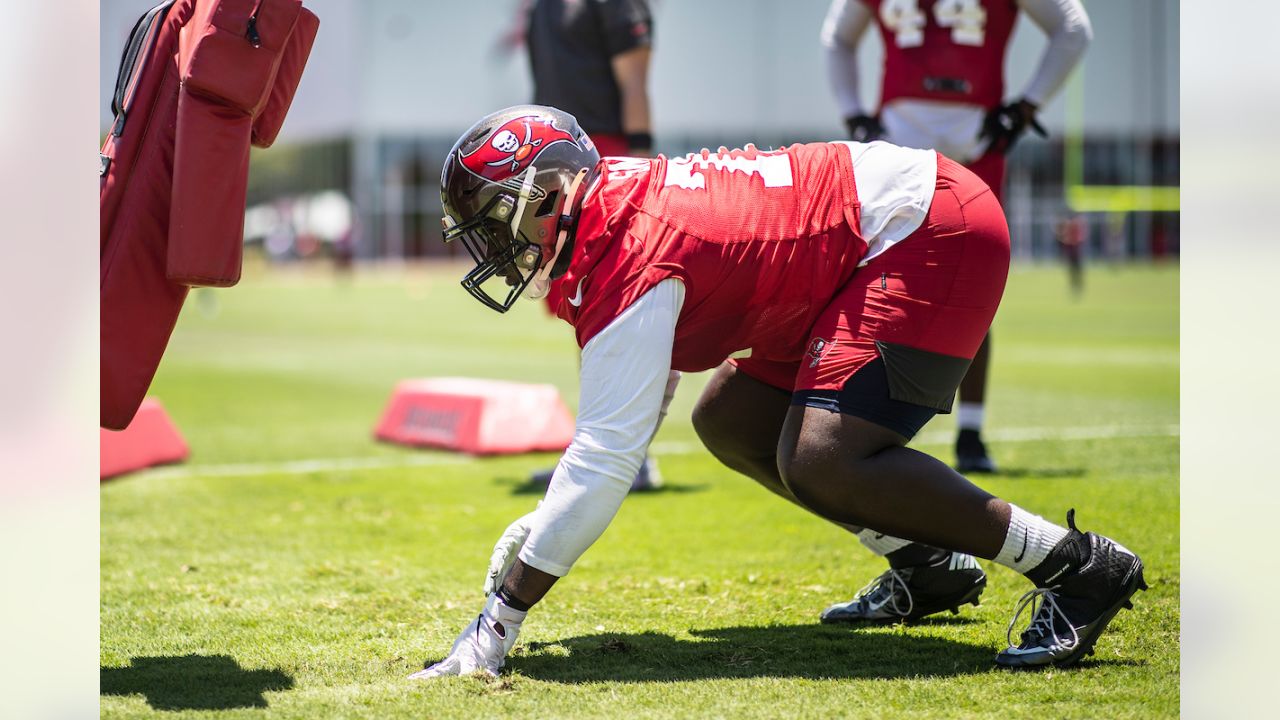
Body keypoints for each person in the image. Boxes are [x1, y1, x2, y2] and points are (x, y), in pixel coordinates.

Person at [409, 105, 1145, 679]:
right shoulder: (611, 208)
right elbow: (639, 394)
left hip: (923, 226)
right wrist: (547, 519)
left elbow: (608, 455)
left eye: (494, 222)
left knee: (826, 457)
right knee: (732, 419)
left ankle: (1078, 566)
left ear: (545, 193)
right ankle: (928, 567)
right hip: (867, 236)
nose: (492, 250)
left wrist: (498, 622)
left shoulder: (627, 249)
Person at [816, 0, 1092, 627]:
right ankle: (924, 430)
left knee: (952, 286)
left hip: (906, 124)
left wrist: (857, 111)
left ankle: (938, 430)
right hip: (956, 127)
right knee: (926, 284)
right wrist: (1028, 105)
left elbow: (837, 37)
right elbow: (1073, 28)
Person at [524, 0, 663, 490]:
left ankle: (628, 457)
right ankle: (599, 449)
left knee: (614, 308)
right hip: (554, 158)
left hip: (605, 156)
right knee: (579, 308)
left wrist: (639, 164)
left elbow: (634, 81)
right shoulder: (541, 7)